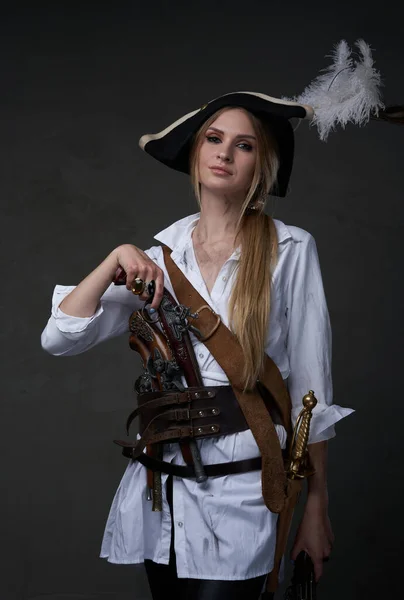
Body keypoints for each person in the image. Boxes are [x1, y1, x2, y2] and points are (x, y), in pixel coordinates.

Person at [41, 91, 354, 600]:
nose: (224, 153)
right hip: (163, 492)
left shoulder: (292, 249)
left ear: (262, 163)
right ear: (196, 153)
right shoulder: (157, 259)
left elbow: (311, 394)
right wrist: (115, 257)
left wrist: (315, 509)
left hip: (247, 490)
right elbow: (58, 339)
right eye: (214, 138)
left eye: (243, 144)